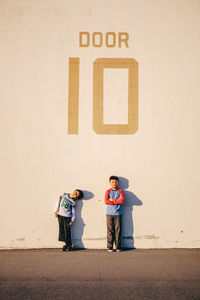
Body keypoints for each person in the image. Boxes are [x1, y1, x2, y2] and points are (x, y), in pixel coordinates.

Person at [104, 176, 125, 252]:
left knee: (118, 230)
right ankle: (110, 246)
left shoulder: (120, 191)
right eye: (112, 182)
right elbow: (106, 201)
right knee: (110, 230)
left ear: (118, 182)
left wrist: (112, 200)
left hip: (118, 213)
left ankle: (118, 246)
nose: (114, 183)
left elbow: (122, 200)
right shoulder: (108, 191)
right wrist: (117, 200)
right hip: (109, 213)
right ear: (110, 183)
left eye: (116, 182)